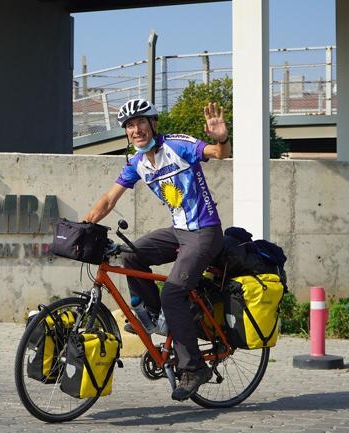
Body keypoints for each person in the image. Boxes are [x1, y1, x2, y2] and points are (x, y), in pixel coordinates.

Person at [84, 97, 230, 401]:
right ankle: (152, 315)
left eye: (140, 123)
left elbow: (217, 153)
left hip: (204, 233)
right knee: (130, 255)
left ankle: (194, 368)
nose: (135, 130)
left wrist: (221, 139)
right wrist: (85, 224)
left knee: (174, 293)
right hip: (178, 232)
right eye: (129, 126)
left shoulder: (177, 146)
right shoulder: (137, 162)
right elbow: (109, 200)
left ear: (153, 124)